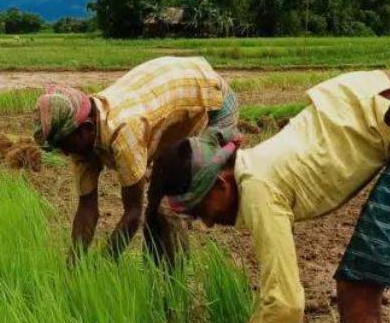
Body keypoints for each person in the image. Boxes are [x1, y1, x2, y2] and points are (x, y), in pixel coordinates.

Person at [154, 69, 390, 323]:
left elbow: (285, 304)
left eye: (201, 211)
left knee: (357, 290)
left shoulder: (256, 185)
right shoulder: (261, 165)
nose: (208, 223)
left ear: (222, 185)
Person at [32, 56, 238, 261]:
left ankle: (175, 281)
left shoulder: (123, 131)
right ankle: (156, 270)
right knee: (154, 206)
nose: (66, 154)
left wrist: (102, 266)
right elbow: (87, 208)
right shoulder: (80, 139)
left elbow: (132, 213)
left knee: (167, 207)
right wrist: (74, 266)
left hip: (214, 100)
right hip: (167, 107)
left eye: (66, 146)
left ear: (86, 129)